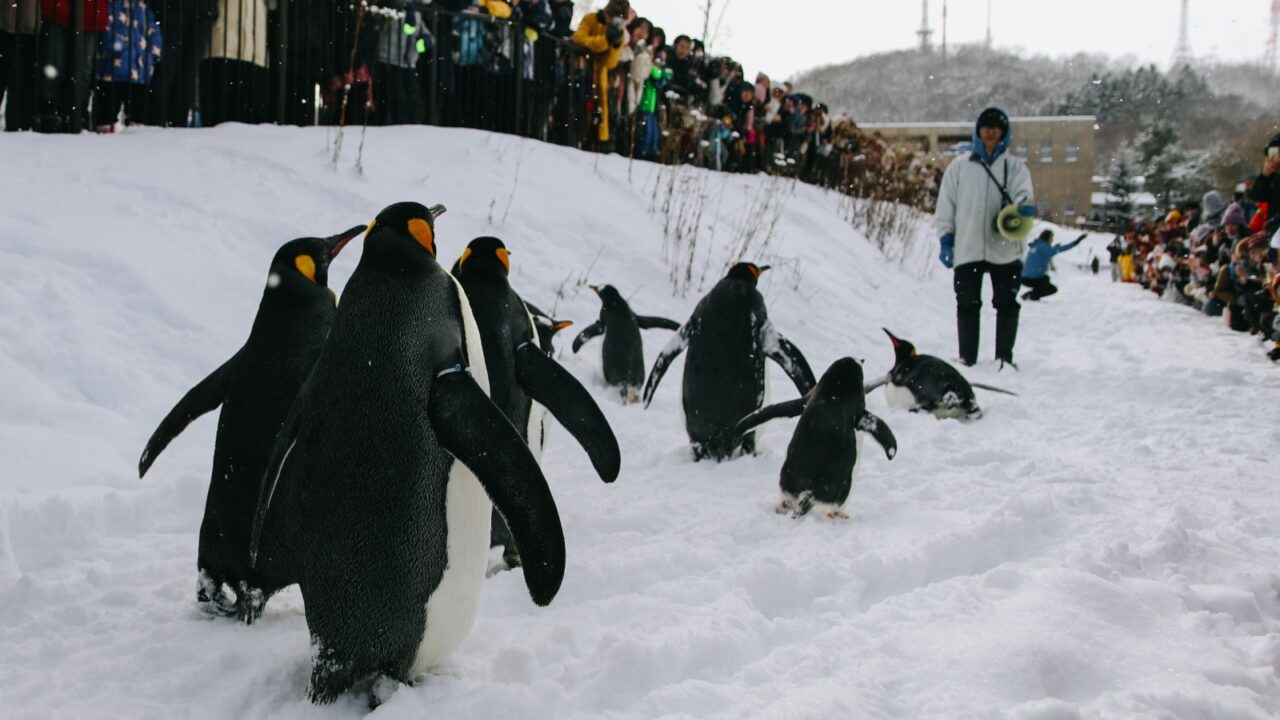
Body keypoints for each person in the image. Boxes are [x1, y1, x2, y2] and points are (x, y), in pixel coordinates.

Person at [934, 106, 1035, 369]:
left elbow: (1023, 195)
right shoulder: (960, 167)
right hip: (968, 246)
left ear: (1004, 132)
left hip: (1006, 246)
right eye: (986, 126)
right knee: (967, 303)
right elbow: (946, 205)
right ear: (978, 131)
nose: (990, 131)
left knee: (1006, 304)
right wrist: (946, 238)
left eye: (996, 126)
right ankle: (967, 358)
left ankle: (1004, 358)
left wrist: (1023, 207)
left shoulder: (1015, 167)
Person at [571, 0, 627, 152]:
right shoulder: (591, 19)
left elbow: (610, 63)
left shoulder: (618, 31)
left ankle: (593, 146)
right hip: (582, 71)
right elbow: (579, 39)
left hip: (601, 80)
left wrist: (615, 44)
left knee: (598, 117)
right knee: (579, 111)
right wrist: (604, 40)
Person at [1020, 230, 1085, 301]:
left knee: (1045, 278)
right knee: (1052, 289)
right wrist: (1075, 242)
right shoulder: (1044, 248)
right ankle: (1032, 295)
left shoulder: (1036, 245)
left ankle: (1033, 294)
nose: (1052, 239)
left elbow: (1044, 252)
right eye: (1052, 237)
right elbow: (1061, 249)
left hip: (1024, 277)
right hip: (1031, 279)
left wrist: (1053, 248)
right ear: (1047, 238)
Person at [1247, 133, 1280, 237]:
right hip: (1274, 233)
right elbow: (1258, 196)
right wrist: (1264, 176)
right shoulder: (1273, 176)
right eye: (1273, 153)